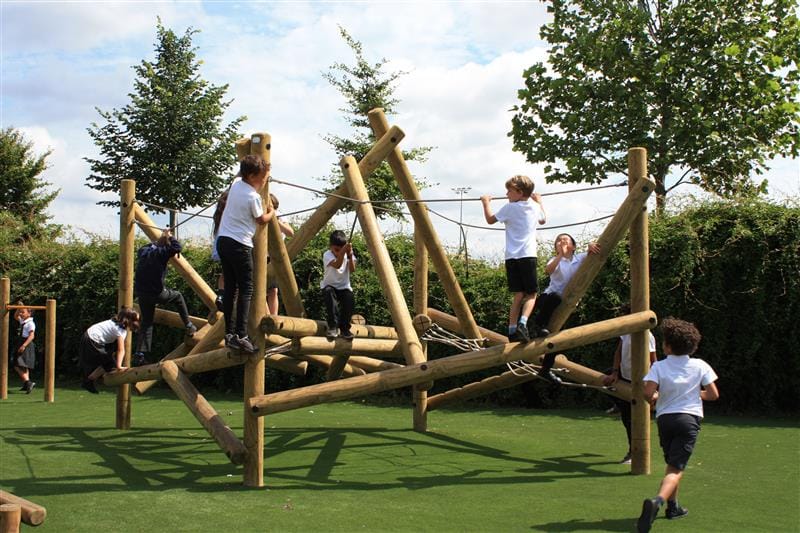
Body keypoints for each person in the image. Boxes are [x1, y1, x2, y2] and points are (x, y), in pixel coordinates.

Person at [636, 317, 719, 533]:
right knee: (676, 469)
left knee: (671, 464)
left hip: (665, 420)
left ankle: (673, 508)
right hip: (688, 419)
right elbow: (712, 394)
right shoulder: (700, 365)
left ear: (668, 346)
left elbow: (647, 393)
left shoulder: (659, 366)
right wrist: (693, 393)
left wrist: (655, 398)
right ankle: (658, 502)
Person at [216, 154, 273, 353]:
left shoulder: (236, 186)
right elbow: (261, 219)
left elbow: (243, 173)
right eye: (263, 176)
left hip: (223, 241)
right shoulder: (253, 196)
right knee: (246, 289)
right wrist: (272, 212)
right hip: (240, 244)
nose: (265, 179)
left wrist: (264, 167)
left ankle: (230, 334)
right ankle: (242, 335)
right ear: (251, 175)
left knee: (231, 289)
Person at [481, 175, 546, 344]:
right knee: (531, 293)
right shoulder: (534, 206)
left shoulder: (509, 208)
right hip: (528, 255)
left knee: (519, 294)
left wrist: (486, 202)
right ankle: (522, 323)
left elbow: (490, 220)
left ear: (519, 192)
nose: (506, 193)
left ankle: (511, 329)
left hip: (511, 257)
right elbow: (543, 219)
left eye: (509, 190)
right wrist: (539, 201)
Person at [531, 233, 600, 383]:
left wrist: (590, 244)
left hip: (564, 305)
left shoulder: (578, 259)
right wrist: (560, 255)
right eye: (558, 241)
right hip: (548, 299)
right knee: (555, 296)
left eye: (565, 240)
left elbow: (591, 250)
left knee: (560, 338)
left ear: (573, 246)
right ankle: (538, 325)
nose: (561, 242)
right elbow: (548, 270)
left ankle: (546, 369)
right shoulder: (555, 260)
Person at [602, 304, 657, 464]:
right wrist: (614, 372)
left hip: (640, 381)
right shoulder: (626, 332)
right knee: (603, 378)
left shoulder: (647, 335)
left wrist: (654, 383)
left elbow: (653, 360)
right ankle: (618, 404)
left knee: (633, 420)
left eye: (623, 315)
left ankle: (635, 453)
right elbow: (618, 352)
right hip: (624, 376)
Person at [133, 229, 197, 366]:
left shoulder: (143, 252)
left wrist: (161, 238)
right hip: (157, 293)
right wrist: (170, 236)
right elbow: (177, 247)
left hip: (142, 294)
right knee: (178, 296)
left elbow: (149, 246)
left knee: (147, 322)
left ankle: (139, 354)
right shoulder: (161, 253)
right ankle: (189, 325)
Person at [79, 307, 141, 394]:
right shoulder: (120, 330)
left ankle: (88, 381)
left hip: (89, 336)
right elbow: (121, 350)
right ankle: (88, 380)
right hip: (92, 340)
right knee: (110, 364)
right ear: (128, 320)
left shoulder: (113, 322)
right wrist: (119, 366)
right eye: (136, 320)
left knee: (108, 362)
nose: (137, 323)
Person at [321, 229, 357, 340]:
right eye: (336, 250)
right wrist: (343, 252)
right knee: (330, 299)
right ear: (330, 246)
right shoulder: (327, 255)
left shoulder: (347, 254)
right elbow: (337, 265)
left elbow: (352, 269)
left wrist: (350, 255)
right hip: (329, 286)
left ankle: (345, 328)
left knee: (349, 299)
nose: (338, 252)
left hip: (344, 287)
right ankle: (333, 327)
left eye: (340, 250)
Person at [267, 193, 294, 315]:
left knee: (273, 289)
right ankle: (264, 315)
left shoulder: (280, 216)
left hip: (274, 257)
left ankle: (273, 316)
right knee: (258, 290)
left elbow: (290, 233)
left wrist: (275, 220)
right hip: (260, 255)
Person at [211, 190, 229, 312]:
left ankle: (221, 295)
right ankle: (225, 296)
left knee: (225, 271)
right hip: (230, 244)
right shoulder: (229, 212)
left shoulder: (219, 214)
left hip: (221, 246)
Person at [13, 305, 36, 393]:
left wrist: (24, 345)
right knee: (23, 365)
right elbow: (15, 316)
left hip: (26, 344)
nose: (20, 314)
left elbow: (32, 336)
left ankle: (28, 382)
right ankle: (26, 384)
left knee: (17, 364)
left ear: (29, 313)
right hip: (22, 343)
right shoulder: (23, 321)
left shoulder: (30, 323)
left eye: (23, 312)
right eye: (20, 312)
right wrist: (19, 307)